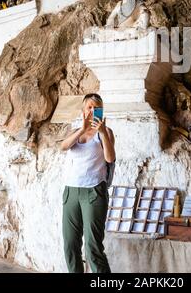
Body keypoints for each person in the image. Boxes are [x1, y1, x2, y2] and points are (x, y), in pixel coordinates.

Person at [61, 93, 115, 273]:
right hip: (71, 192)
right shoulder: (75, 130)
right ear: (83, 110)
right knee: (70, 244)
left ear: (101, 110)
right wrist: (82, 129)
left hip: (93, 192)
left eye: (96, 107)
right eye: (89, 107)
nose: (92, 110)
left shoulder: (106, 133)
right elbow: (63, 146)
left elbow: (110, 158)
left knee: (93, 248)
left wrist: (102, 132)